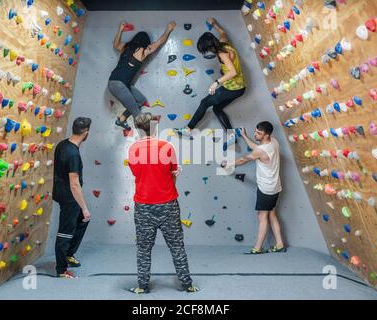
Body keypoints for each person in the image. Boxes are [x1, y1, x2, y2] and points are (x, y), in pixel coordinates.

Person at [127, 112, 198, 294]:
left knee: (143, 248)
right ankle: (187, 285)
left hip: (143, 206)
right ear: (155, 126)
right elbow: (171, 176)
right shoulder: (167, 147)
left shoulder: (133, 149)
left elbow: (139, 175)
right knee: (177, 246)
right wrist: (173, 176)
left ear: (138, 129)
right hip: (168, 204)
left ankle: (142, 286)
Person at [176, 17, 246, 151]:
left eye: (206, 50)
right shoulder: (224, 43)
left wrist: (216, 83)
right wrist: (214, 24)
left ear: (210, 47)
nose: (206, 53)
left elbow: (233, 72)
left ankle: (188, 129)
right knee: (216, 109)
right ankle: (231, 135)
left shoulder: (222, 54)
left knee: (204, 103)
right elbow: (223, 33)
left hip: (232, 88)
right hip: (240, 88)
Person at [221, 121, 286, 254]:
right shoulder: (273, 141)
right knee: (272, 214)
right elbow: (257, 148)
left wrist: (228, 164)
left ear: (266, 135)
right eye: (256, 131)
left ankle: (257, 248)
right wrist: (244, 136)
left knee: (262, 217)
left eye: (259, 133)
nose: (255, 133)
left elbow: (244, 159)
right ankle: (280, 244)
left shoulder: (261, 151)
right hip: (275, 187)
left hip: (266, 189)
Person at [108, 21, 176, 131]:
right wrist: (168, 29)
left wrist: (120, 29)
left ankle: (121, 120)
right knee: (137, 114)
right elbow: (159, 43)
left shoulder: (126, 47)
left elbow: (115, 44)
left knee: (140, 100)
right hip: (118, 85)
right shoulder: (143, 51)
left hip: (120, 83)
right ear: (145, 43)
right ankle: (147, 136)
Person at [52, 117, 92, 278]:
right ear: (86, 133)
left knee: (83, 219)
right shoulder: (73, 154)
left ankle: (69, 254)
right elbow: (74, 184)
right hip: (70, 197)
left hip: (61, 192)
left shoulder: (63, 144)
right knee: (65, 232)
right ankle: (61, 270)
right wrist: (84, 207)